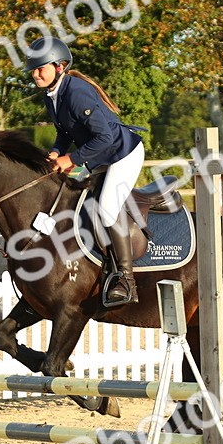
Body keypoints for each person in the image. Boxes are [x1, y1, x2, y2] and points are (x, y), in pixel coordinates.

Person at [25, 36, 144, 305]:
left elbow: (106, 138)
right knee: (74, 202)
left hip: (122, 154)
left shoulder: (76, 92)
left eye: (40, 68)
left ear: (59, 66)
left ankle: (126, 279)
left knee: (106, 208)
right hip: (100, 155)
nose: (35, 74)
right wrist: (57, 151)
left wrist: (72, 159)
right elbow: (64, 131)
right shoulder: (52, 95)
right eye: (33, 69)